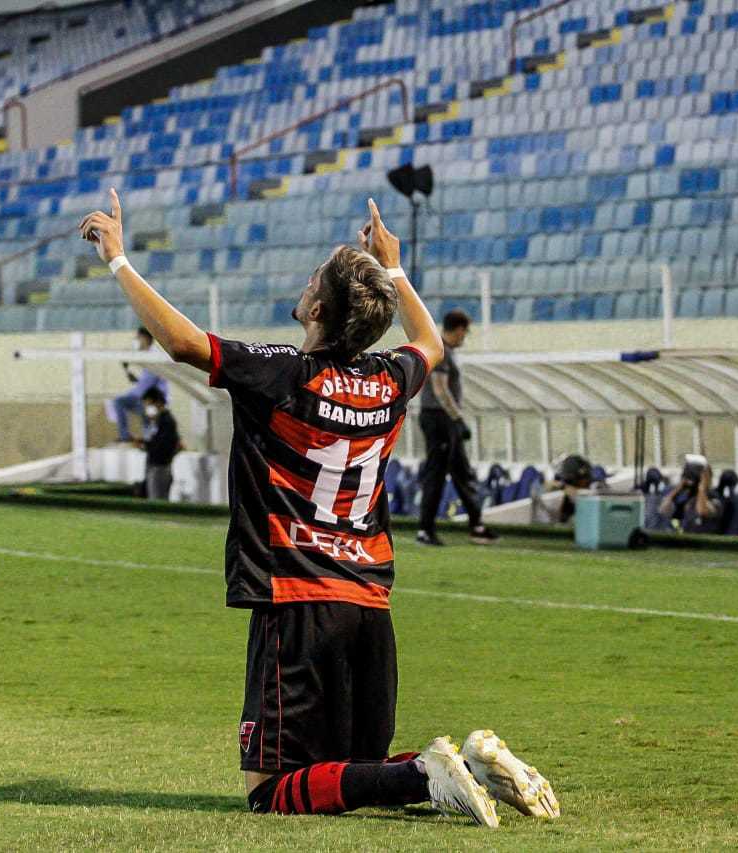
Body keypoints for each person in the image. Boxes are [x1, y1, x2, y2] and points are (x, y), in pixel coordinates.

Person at [80, 190, 558, 825]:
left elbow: (185, 344)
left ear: (318, 307)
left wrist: (117, 260)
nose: (303, 286)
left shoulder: (284, 374)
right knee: (351, 770)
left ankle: (425, 775)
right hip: (369, 604)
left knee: (270, 790)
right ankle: (466, 767)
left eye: (311, 281)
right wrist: (393, 265)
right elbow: (430, 342)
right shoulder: (389, 378)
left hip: (297, 599)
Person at [416, 309, 497, 546]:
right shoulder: (441, 352)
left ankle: (477, 524)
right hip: (439, 418)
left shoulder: (445, 351)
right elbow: (440, 390)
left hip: (443, 419)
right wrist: (457, 419)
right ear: (459, 329)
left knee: (462, 472)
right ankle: (425, 529)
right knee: (437, 474)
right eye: (465, 332)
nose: (465, 337)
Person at [106, 327, 168, 442]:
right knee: (136, 408)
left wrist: (133, 390)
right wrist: (134, 379)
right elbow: (146, 383)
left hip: (154, 400)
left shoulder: (153, 357)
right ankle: (145, 438)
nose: (136, 341)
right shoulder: (147, 355)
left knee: (119, 402)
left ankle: (128, 436)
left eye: (138, 338)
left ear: (145, 339)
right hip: (148, 397)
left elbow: (146, 385)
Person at [659, 455, 724, 535]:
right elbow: (663, 510)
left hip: (704, 542)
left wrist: (702, 487)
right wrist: (679, 488)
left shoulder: (713, 496)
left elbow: (702, 511)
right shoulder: (682, 496)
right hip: (684, 541)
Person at [136, 386, 179, 500]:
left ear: (158, 402)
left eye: (149, 404)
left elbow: (163, 446)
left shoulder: (167, 421)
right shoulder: (159, 421)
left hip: (160, 467)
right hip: (157, 467)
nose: (147, 408)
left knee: (157, 500)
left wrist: (146, 445)